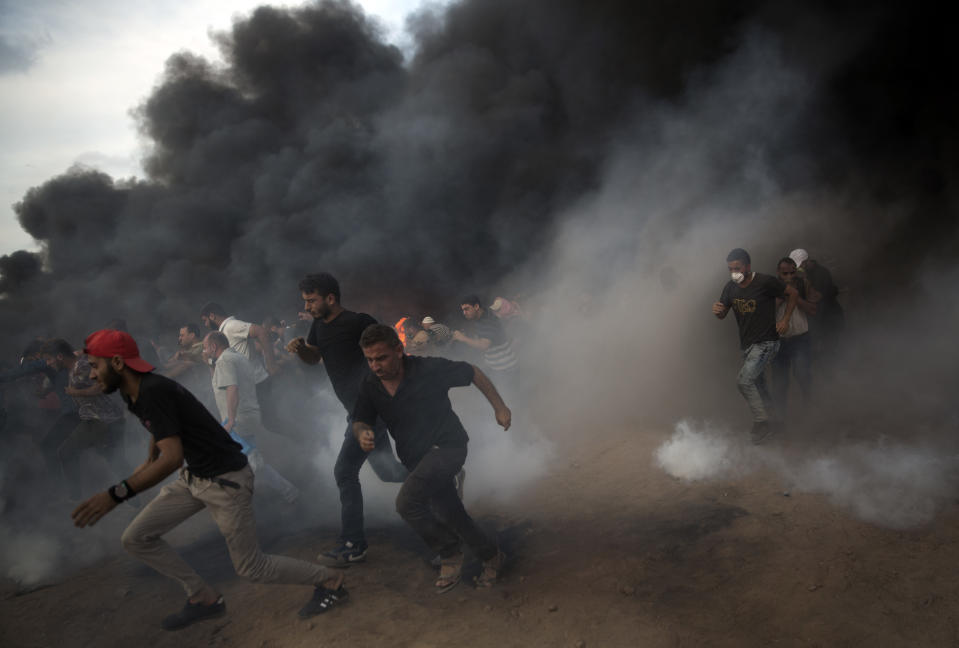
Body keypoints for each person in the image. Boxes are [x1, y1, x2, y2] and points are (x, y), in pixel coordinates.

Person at [71, 329, 348, 630]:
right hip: (195, 479)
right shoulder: (133, 392)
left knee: (252, 567)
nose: (93, 375)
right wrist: (148, 460)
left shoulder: (152, 391)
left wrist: (115, 494)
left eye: (96, 366)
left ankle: (330, 580)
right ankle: (203, 597)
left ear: (117, 363)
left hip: (226, 481)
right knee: (136, 538)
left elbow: (173, 457)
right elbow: (161, 428)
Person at [352, 324, 509, 592]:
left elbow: (472, 372)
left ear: (399, 350)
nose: (375, 366)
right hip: (416, 458)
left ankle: (449, 553)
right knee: (451, 513)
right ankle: (492, 557)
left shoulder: (428, 369)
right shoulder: (370, 385)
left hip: (448, 447)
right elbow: (360, 419)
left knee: (407, 502)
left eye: (381, 358)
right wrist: (363, 432)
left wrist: (500, 406)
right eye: (369, 360)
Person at [286, 273, 407, 563]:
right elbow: (315, 358)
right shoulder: (317, 326)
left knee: (344, 472)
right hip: (355, 410)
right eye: (305, 301)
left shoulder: (358, 322)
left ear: (330, 298)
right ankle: (443, 475)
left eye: (312, 300)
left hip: (369, 410)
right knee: (387, 472)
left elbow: (387, 354)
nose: (307, 306)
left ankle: (353, 543)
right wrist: (302, 349)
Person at [202, 331, 300, 504]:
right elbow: (219, 383)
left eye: (205, 347)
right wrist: (210, 364)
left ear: (213, 346)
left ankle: (239, 499)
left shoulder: (225, 361)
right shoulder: (237, 358)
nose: (204, 350)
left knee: (248, 461)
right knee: (247, 459)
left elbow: (232, 388)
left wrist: (231, 420)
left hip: (236, 418)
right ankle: (287, 490)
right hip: (248, 415)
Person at [712, 248, 798, 443]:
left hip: (767, 342)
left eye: (737, 268)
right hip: (748, 345)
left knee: (744, 381)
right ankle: (777, 424)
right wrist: (717, 310)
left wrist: (785, 320)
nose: (734, 272)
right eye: (730, 269)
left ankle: (762, 423)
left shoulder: (765, 282)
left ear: (748, 266)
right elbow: (722, 313)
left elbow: (792, 293)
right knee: (759, 387)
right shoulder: (730, 287)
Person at [199, 303, 283, 433]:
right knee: (264, 423)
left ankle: (308, 441)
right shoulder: (224, 331)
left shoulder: (231, 326)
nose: (205, 325)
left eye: (205, 320)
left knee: (271, 423)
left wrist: (271, 364)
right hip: (251, 385)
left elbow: (261, 331)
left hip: (257, 382)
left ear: (212, 316)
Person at [772, 257, 815, 416]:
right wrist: (783, 295)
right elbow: (765, 313)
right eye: (785, 274)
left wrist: (794, 297)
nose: (789, 276)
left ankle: (809, 406)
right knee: (779, 382)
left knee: (803, 373)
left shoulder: (804, 284)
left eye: (792, 273)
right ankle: (780, 418)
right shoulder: (771, 287)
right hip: (778, 341)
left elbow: (813, 310)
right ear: (778, 273)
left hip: (800, 338)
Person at [788, 248, 844, 364]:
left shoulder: (821, 273)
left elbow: (817, 299)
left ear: (807, 261)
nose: (799, 268)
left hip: (830, 318)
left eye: (800, 265)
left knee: (829, 351)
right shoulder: (807, 274)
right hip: (820, 318)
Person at [452, 295, 518, 375]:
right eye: (463, 310)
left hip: (505, 368)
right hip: (497, 366)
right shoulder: (483, 315)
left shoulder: (487, 321)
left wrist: (463, 338)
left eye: (467, 309)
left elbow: (484, 345)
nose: (464, 313)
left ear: (476, 306)